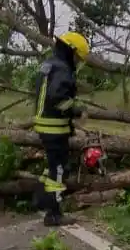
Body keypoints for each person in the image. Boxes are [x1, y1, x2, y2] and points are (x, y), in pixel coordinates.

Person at [32, 31, 90, 226]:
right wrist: (76, 110)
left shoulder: (49, 65)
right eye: (77, 57)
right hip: (54, 128)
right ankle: (54, 214)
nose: (77, 62)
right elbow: (57, 99)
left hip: (45, 124)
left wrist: (70, 125)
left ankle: (40, 200)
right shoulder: (63, 70)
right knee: (58, 170)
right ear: (70, 51)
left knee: (51, 166)